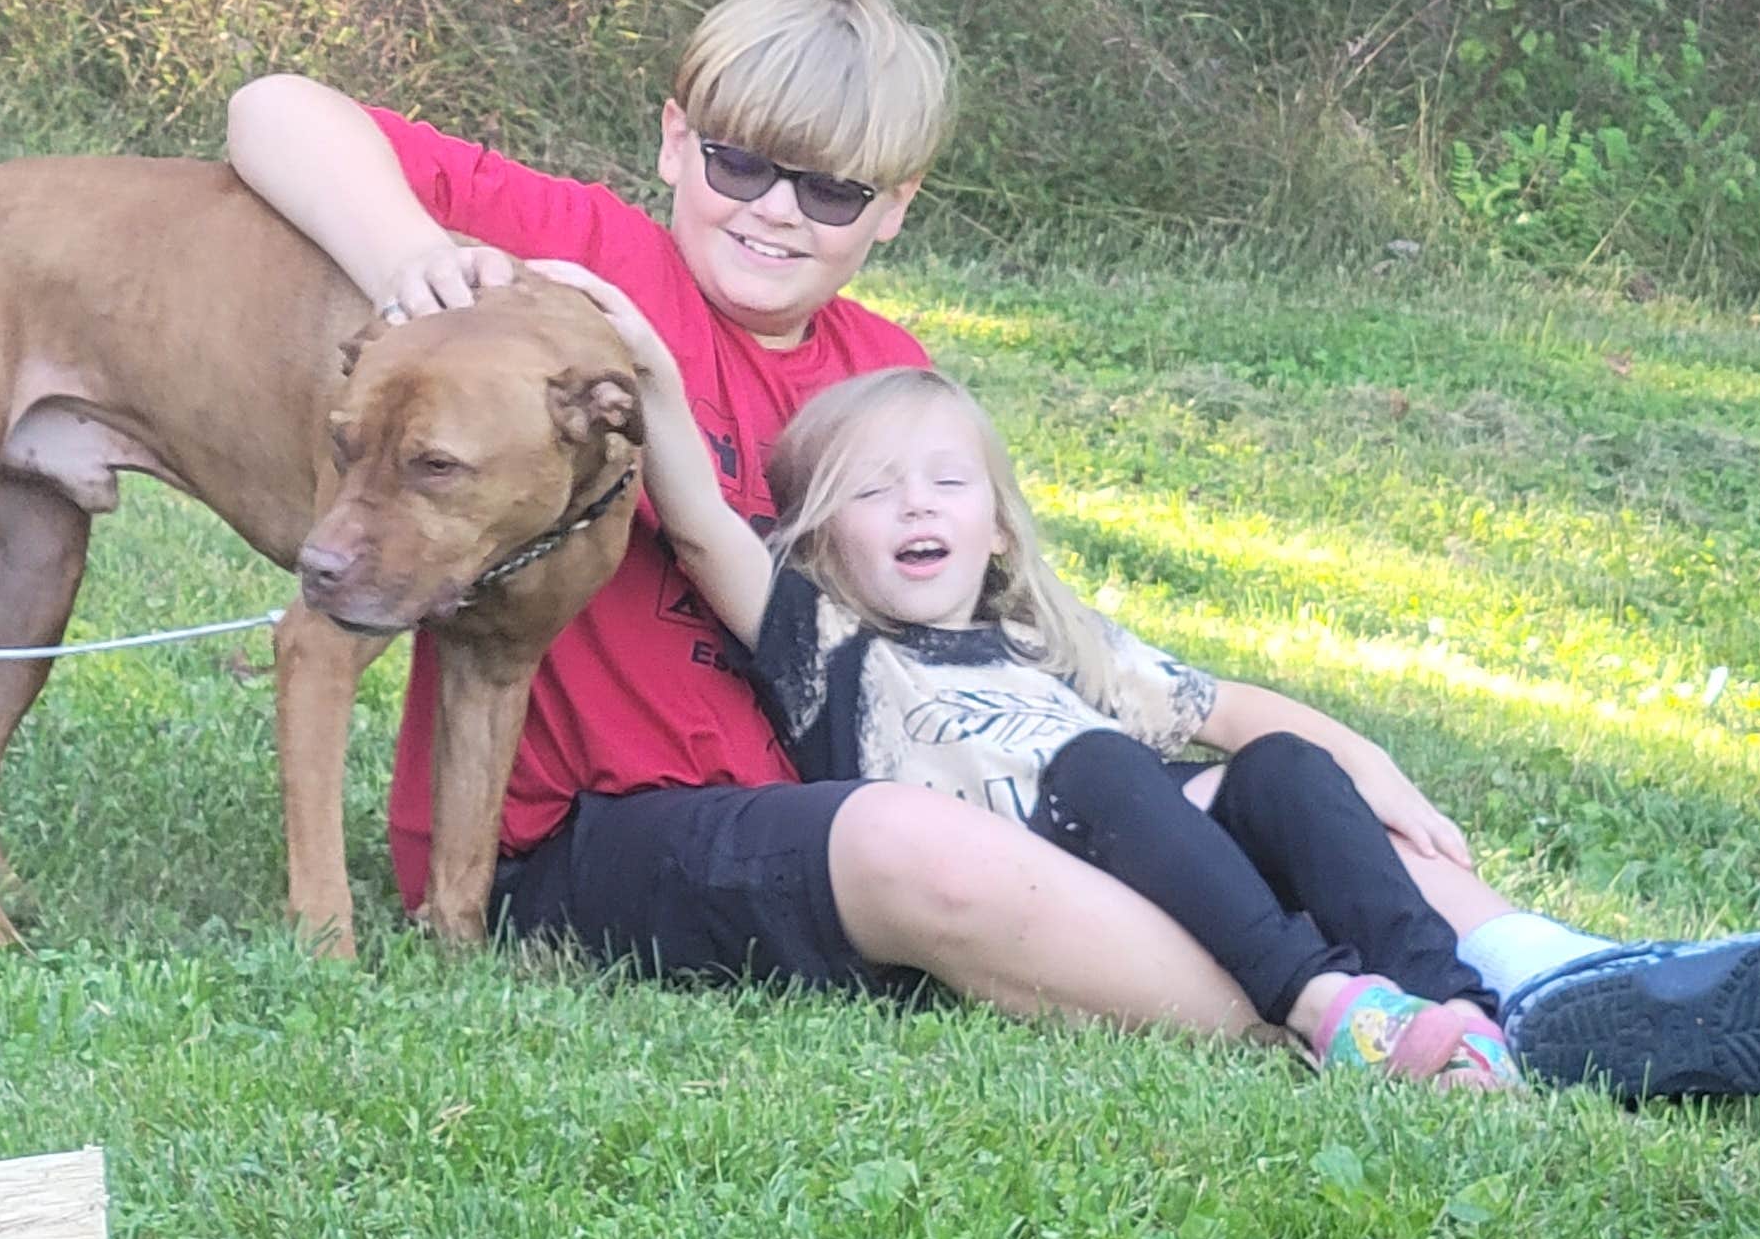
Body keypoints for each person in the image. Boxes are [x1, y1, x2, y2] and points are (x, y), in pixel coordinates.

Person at [223, 0, 1760, 1098]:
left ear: (889, 211)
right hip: (592, 839)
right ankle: (1401, 1041)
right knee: (916, 843)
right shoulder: (574, 251)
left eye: (827, 192)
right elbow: (274, 105)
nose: (768, 211)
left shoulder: (885, 379)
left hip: (892, 757)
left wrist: (1283, 725)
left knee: (1222, 791)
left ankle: (1561, 973)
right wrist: (411, 264)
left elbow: (1030, 648)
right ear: (675, 135)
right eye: (737, 159)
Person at [541, 332, 1522, 1083]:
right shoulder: (828, 646)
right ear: (819, 540)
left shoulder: (1045, 642)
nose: (918, 507)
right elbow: (709, 533)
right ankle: (1318, 1004)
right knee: (1099, 764)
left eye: (947, 483)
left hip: (1160, 854)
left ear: (998, 521)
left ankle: (1464, 1016)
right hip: (1049, 892)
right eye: (874, 493)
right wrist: (656, 382)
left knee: (1283, 772)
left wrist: (1364, 761)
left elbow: (1222, 711)